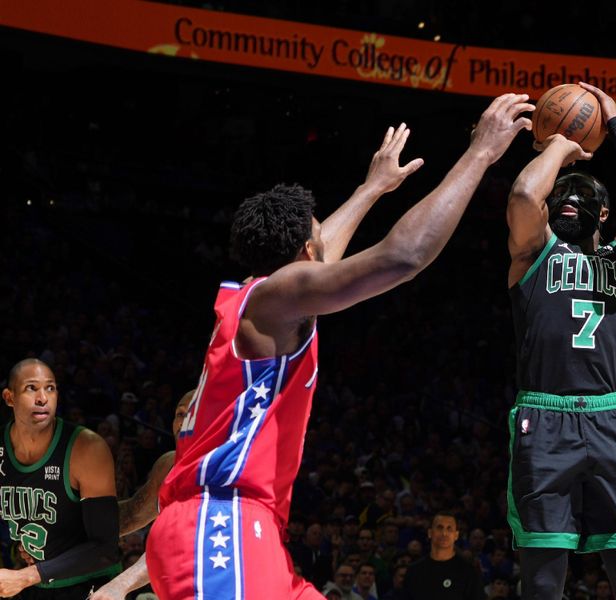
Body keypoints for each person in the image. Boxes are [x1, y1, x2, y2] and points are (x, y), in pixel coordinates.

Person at [145, 93, 535, 599]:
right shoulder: (274, 298)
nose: (324, 243)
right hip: (221, 524)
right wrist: (480, 153)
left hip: (244, 525)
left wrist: (371, 189)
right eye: (315, 241)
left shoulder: (262, 299)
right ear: (304, 255)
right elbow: (404, 255)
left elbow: (319, 249)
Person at [504, 80, 616, 600]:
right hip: (544, 419)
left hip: (611, 418)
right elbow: (527, 193)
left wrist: (615, 122)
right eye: (562, 196)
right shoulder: (533, 254)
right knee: (544, 583)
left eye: (583, 196)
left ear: (603, 216)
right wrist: (560, 147)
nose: (567, 200)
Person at [0, 358, 120, 598]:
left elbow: (105, 549)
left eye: (50, 388)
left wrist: (25, 576)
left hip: (90, 584)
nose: (43, 398)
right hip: (34, 583)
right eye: (31, 388)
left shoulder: (86, 448)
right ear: (9, 398)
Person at [88, 390, 194, 600]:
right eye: (179, 414)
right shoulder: (169, 464)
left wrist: (119, 585)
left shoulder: (225, 467)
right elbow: (133, 514)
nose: (183, 422)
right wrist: (67, 522)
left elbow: (177, 541)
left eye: (192, 413)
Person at [402, 511, 485, 600]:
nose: (444, 533)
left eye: (449, 529)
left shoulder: (469, 572)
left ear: (456, 535)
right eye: (439, 528)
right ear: (430, 533)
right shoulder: (414, 571)